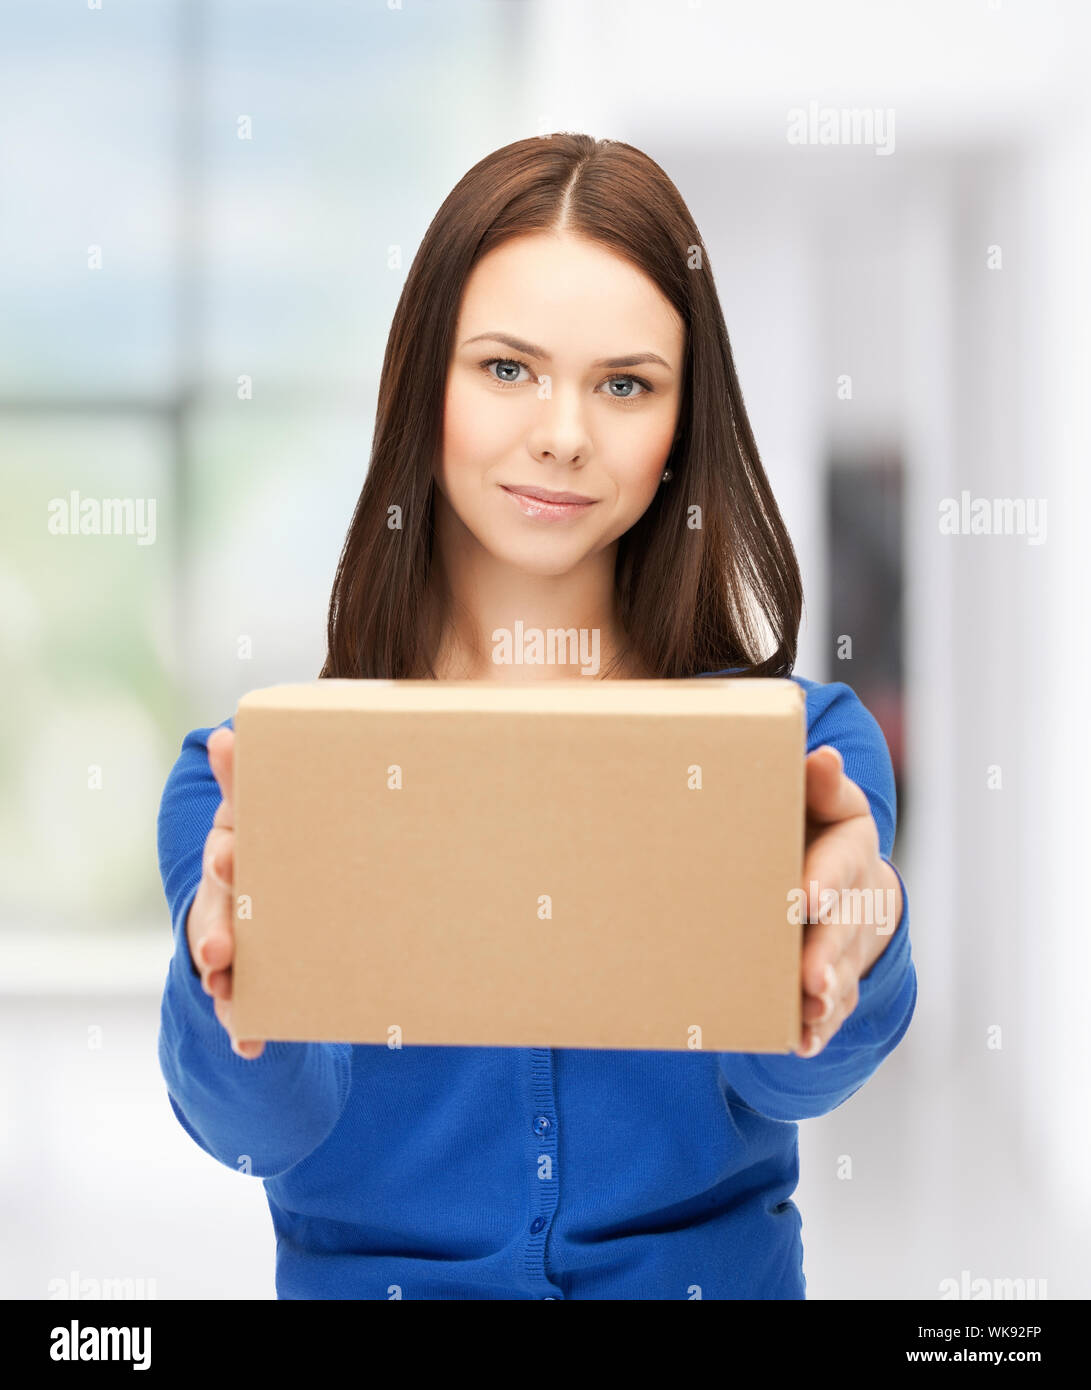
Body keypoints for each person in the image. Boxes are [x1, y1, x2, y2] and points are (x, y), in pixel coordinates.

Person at [157, 133, 916, 1300]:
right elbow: (251, 1132)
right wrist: (234, 1003)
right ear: (425, 385)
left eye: (624, 384)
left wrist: (848, 951)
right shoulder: (249, 778)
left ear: (678, 428)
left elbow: (795, 1080)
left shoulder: (797, 750)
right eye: (507, 368)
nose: (564, 430)